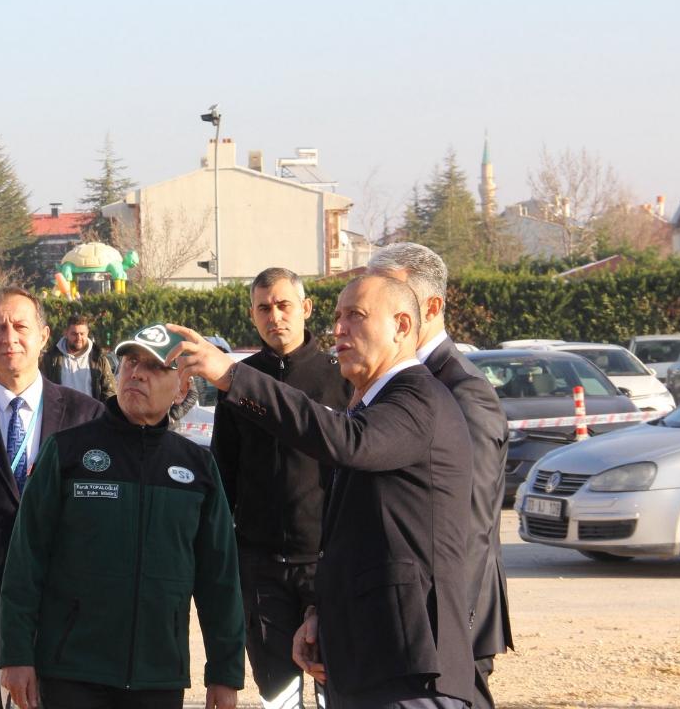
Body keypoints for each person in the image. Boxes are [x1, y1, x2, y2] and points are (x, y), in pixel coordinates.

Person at [168, 274, 475, 709]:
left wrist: (233, 375)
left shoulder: (417, 398)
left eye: (356, 316)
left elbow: (348, 441)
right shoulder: (372, 405)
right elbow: (353, 532)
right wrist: (321, 614)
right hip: (362, 653)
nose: (339, 328)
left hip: (408, 665)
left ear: (402, 325)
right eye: (338, 316)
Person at [0, 324, 245, 709]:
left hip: (158, 675)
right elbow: (25, 559)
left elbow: (220, 579)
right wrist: (16, 654)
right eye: (130, 362)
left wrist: (225, 673)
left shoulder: (197, 468)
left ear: (182, 387)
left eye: (155, 366)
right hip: (71, 670)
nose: (137, 373)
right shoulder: (67, 452)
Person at [368, 243, 512, 709]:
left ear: (429, 308)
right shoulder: (383, 383)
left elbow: (470, 523)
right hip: (402, 618)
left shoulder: (462, 390)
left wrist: (448, 627)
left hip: (447, 625)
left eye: (391, 293)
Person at [210, 268, 350, 709]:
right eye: (264, 308)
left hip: (327, 563)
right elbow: (223, 473)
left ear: (305, 308)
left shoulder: (341, 377)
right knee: (278, 694)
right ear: (253, 316)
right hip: (261, 567)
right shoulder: (237, 381)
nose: (275, 317)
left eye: (284, 305)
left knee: (335, 687)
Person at [0, 287, 103, 581]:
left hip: (62, 585)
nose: (9, 338)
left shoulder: (87, 416)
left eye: (20, 326)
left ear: (43, 336)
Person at [40, 314, 116, 401]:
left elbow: (109, 392)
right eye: (74, 334)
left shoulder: (98, 359)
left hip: (90, 409)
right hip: (61, 409)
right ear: (66, 333)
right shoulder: (51, 359)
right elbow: (43, 389)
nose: (79, 338)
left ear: (87, 333)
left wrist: (104, 408)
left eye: (82, 334)